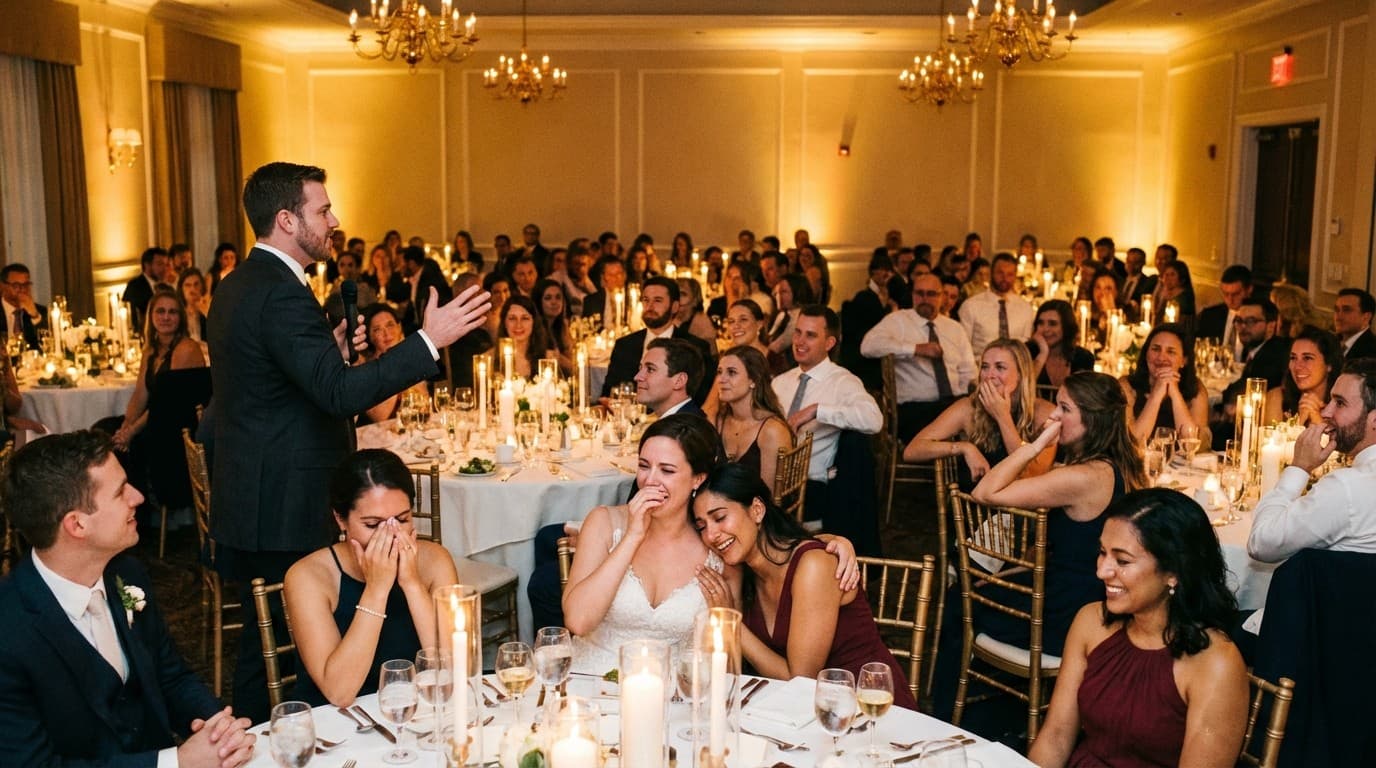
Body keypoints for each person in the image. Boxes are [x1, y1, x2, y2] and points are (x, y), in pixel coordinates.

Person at [207, 161, 490, 722]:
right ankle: (292, 739)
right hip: (287, 497)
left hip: (252, 491)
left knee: (263, 651)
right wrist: (426, 342)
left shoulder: (242, 284)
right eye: (322, 210)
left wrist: (326, 352)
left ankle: (262, 739)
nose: (333, 220)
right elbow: (337, 396)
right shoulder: (281, 292)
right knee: (285, 653)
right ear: (287, 219)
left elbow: (274, 385)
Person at [0, 430, 256, 767]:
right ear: (76, 524)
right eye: (121, 492)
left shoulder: (127, 574)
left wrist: (217, 728)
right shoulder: (9, 631)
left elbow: (170, 675)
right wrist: (175, 763)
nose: (137, 497)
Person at [932, 371, 1146, 721]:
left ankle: (952, 715)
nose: (1054, 417)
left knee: (961, 599)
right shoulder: (1118, 464)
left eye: (1065, 408)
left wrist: (1034, 445)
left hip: (1065, 612)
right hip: (1092, 597)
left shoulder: (1083, 477)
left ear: (1091, 419)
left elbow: (986, 492)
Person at [1029, 489, 1248, 768]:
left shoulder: (1216, 664)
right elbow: (1056, 737)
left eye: (1122, 561)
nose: (1102, 571)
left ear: (1174, 572)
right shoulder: (1090, 622)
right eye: (1102, 553)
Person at [692, 463, 918, 709]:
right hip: (807, 714)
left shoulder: (813, 566)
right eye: (702, 526)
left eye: (720, 517)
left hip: (868, 709)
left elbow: (801, 682)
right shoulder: (746, 573)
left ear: (757, 510)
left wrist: (729, 623)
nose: (711, 535)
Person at [285, 450, 458, 706]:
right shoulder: (308, 577)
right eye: (372, 525)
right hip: (337, 724)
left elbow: (452, 671)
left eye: (402, 519)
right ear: (341, 520)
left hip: (414, 712)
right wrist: (377, 590)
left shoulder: (435, 561)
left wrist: (411, 584)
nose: (391, 534)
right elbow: (339, 692)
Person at [563, 415, 734, 674]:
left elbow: (726, 658)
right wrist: (632, 536)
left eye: (667, 470)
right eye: (644, 466)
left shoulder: (714, 543)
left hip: (674, 695)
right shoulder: (604, 522)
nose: (650, 480)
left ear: (697, 479)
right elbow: (578, 621)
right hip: (590, 682)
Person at [1249, 357, 1376, 563]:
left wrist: (1299, 466)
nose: (1326, 412)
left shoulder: (1347, 488)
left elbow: (1261, 544)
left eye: (1340, 403)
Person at [774, 306, 884, 522]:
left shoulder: (843, 381)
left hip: (808, 485)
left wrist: (818, 411)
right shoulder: (779, 382)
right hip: (770, 476)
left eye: (811, 335)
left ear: (829, 343)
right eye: (798, 332)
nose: (799, 341)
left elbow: (874, 419)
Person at [903, 339, 1055, 484]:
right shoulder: (969, 407)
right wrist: (963, 447)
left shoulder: (1043, 412)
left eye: (1000, 367)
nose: (989, 375)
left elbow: (1028, 475)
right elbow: (912, 451)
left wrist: (1002, 416)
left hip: (1021, 508)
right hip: (974, 506)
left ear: (1021, 374)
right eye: (985, 367)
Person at [111, 287, 208, 511]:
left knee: (133, 444)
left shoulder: (185, 348)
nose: (166, 317)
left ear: (180, 318)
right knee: (107, 431)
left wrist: (132, 432)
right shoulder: (151, 350)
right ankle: (125, 512)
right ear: (151, 316)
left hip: (178, 426)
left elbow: (165, 403)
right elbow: (140, 394)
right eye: (160, 311)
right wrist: (126, 425)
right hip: (157, 418)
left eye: (172, 312)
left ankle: (141, 516)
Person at [860, 273, 975, 442]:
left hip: (954, 403)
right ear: (912, 295)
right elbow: (868, 346)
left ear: (941, 296)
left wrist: (970, 397)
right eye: (919, 293)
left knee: (984, 418)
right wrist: (914, 349)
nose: (924, 299)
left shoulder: (955, 328)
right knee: (956, 421)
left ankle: (973, 465)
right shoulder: (898, 321)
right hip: (915, 408)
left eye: (931, 294)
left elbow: (969, 372)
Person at [599, 276, 714, 404]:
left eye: (657, 301)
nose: (650, 306)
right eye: (646, 300)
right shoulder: (625, 345)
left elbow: (700, 399)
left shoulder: (695, 347)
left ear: (674, 306)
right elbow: (609, 392)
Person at [714, 345, 793, 486]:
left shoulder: (772, 430)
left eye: (731, 372)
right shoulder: (719, 421)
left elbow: (769, 497)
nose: (721, 379)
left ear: (753, 380)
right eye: (719, 372)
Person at [1122, 323, 1211, 446]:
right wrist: (1156, 395)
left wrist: (1175, 393)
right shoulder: (1126, 386)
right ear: (1146, 354)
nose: (1161, 357)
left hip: (1180, 464)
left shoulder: (1195, 388)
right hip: (1138, 463)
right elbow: (1134, 442)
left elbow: (1191, 444)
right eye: (1156, 349)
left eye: (1171, 352)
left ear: (1183, 360)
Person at [356, 306, 432, 426]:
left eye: (390, 325)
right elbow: (381, 416)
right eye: (377, 330)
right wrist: (396, 358)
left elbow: (424, 405)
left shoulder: (410, 359)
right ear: (370, 337)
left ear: (399, 327)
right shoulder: (367, 369)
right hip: (380, 438)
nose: (386, 334)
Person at [1262, 326, 1343, 427]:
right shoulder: (1277, 398)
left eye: (1307, 358)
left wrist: (1317, 421)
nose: (1297, 366)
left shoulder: (1343, 407)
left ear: (1329, 364)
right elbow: (1268, 441)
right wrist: (1299, 422)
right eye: (1293, 358)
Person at [1028, 299, 1095, 390]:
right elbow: (1023, 391)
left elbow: (1083, 397)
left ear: (1066, 327)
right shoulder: (1027, 351)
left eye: (1052, 324)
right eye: (1041, 323)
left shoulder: (1083, 357)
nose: (1045, 329)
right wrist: (1043, 353)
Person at [635, 338, 707, 418]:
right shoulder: (678, 421)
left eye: (650, 369)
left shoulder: (687, 428)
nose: (637, 377)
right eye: (640, 368)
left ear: (679, 381)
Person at [1195, 265, 1253, 358]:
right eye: (1226, 294)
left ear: (1249, 290)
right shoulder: (1209, 316)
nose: (1230, 300)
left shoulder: (1258, 320)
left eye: (1236, 294)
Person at [497, 295, 552, 381]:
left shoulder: (548, 359)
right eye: (512, 318)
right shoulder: (490, 358)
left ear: (534, 322)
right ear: (504, 323)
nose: (518, 325)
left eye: (525, 318)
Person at [767, 273, 812, 370]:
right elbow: (769, 338)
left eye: (783, 292)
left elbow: (777, 346)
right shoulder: (782, 315)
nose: (778, 297)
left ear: (797, 292)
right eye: (777, 293)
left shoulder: (800, 317)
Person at [0, 263, 48, 351]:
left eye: (26, 285)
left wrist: (35, 316)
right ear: (2, 286)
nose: (22, 290)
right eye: (16, 286)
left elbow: (47, 345)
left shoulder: (41, 311)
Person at [123, 246, 170, 330]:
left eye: (166, 264)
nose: (165, 269)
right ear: (147, 265)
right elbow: (133, 317)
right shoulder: (135, 286)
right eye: (160, 264)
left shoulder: (166, 287)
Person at [535, 278, 575, 374]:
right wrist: (578, 369)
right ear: (539, 302)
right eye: (548, 298)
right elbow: (560, 361)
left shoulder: (560, 326)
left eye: (558, 297)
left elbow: (571, 355)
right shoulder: (537, 329)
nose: (554, 302)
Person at [1333, 287, 1376, 360]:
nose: (1338, 317)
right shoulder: (1331, 342)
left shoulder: (1371, 353)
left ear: (1366, 317)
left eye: (1346, 310)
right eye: (1336, 310)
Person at [674, 276, 717, 348]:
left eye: (683, 294)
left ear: (695, 300)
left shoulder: (702, 323)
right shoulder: (668, 319)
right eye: (674, 294)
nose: (677, 298)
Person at [178, 267, 211, 341]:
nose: (192, 289)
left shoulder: (209, 311)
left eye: (196, 284)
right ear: (181, 289)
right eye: (188, 285)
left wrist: (207, 313)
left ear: (202, 286)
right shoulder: (178, 314)